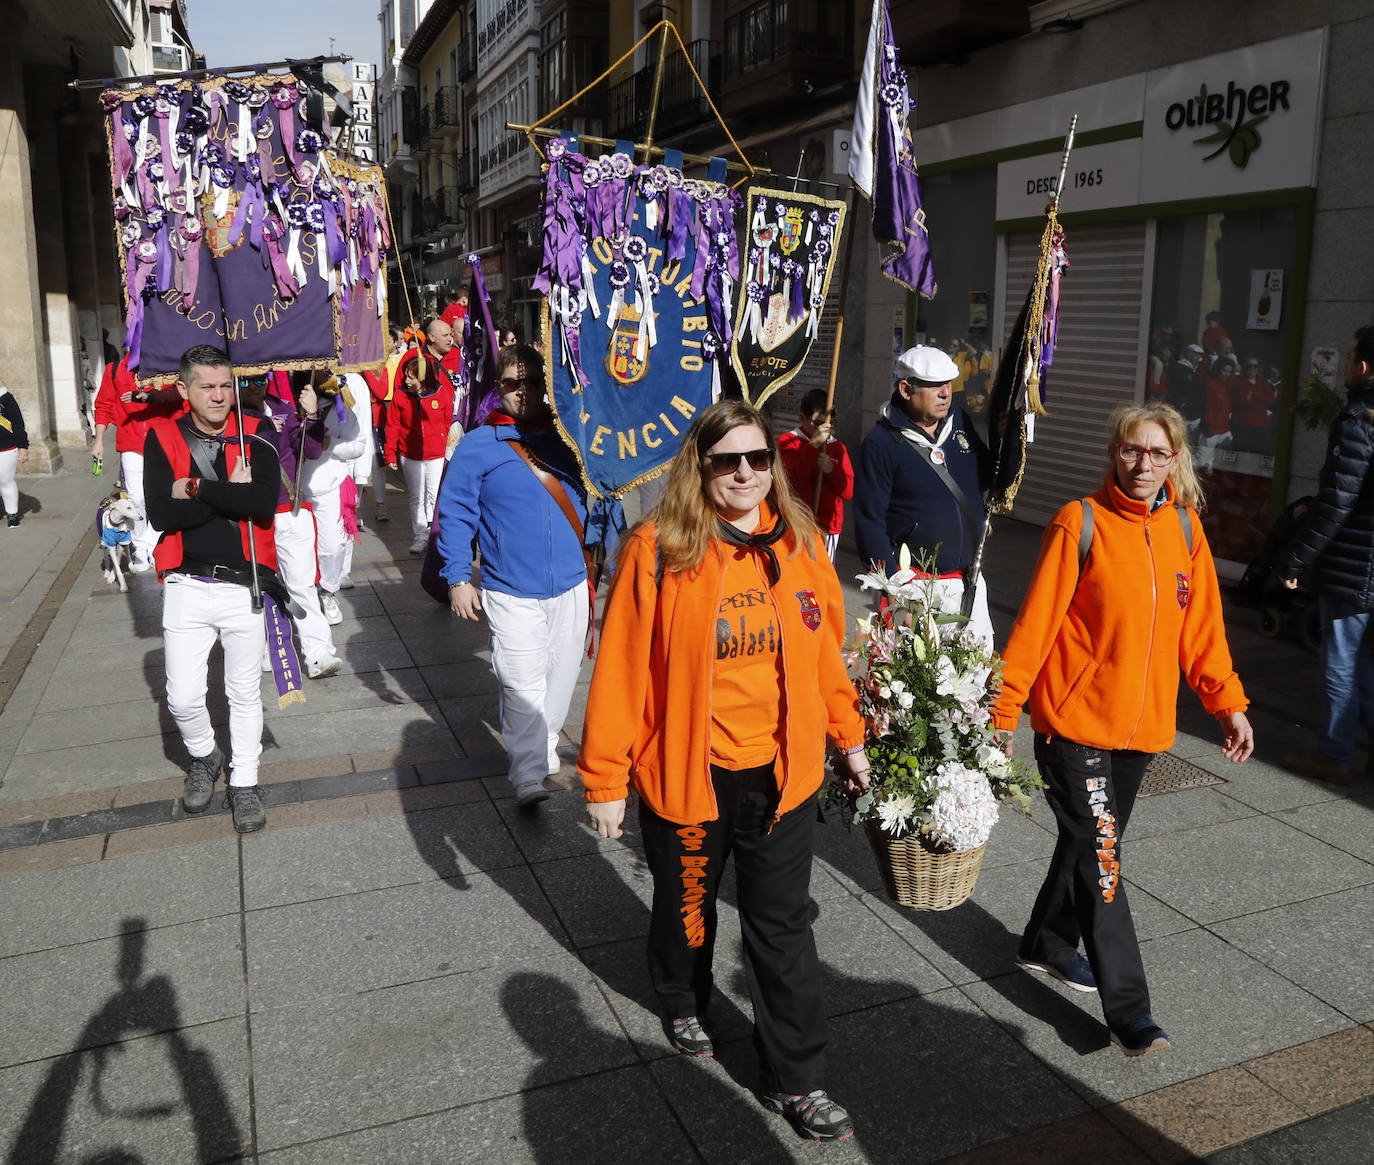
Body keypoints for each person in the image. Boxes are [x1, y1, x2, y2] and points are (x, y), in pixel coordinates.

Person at [579, 400, 868, 1142]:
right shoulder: (657, 547)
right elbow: (621, 671)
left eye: (759, 458)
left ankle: (795, 1077)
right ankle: (680, 993)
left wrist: (850, 735)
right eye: (727, 461)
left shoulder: (799, 541)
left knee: (783, 929)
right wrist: (606, 779)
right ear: (699, 467)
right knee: (687, 910)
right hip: (689, 774)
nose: (745, 473)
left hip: (783, 776)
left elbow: (825, 653)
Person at [992, 401, 1253, 1057]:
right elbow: (1034, 627)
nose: (1143, 464)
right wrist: (1002, 715)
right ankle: (1131, 1012)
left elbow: (1203, 633)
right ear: (1115, 453)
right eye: (1132, 450)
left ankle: (1047, 941)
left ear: (1176, 460)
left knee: (1088, 842)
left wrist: (1227, 702)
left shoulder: (1186, 530)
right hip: (1074, 724)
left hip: (1141, 731)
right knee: (1103, 856)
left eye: (1157, 453)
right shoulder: (1079, 523)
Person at [435, 344, 590, 807]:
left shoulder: (570, 437)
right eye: (512, 383)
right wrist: (459, 577)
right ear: (497, 387)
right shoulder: (478, 445)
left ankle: (542, 746)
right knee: (521, 680)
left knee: (561, 680)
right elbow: (456, 512)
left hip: (572, 584)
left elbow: (599, 495)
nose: (523, 392)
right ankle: (526, 775)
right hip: (509, 589)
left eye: (533, 382)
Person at [143, 346, 283, 833]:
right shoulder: (160, 436)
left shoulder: (257, 434)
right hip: (185, 583)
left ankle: (245, 781)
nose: (220, 395)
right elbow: (162, 514)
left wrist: (198, 489)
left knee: (243, 692)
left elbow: (263, 499)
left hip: (243, 586)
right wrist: (230, 494)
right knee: (182, 697)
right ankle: (205, 755)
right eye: (207, 386)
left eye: (227, 385)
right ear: (184, 389)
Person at [1278, 326, 1374, 786]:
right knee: (1361, 658)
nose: (1350, 363)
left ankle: (1335, 754)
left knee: (1340, 658)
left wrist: (1296, 559)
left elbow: (1339, 501)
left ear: (1363, 366)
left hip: (1358, 563)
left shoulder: (1360, 420)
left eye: (1352, 354)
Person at [853, 344, 994, 645]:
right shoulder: (881, 443)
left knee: (977, 681)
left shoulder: (960, 422)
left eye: (948, 384)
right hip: (914, 589)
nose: (946, 392)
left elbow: (988, 478)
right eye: (934, 386)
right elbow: (870, 525)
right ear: (906, 390)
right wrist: (898, 596)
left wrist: (1008, 438)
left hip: (968, 581)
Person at [239, 373, 342, 679]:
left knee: (302, 584)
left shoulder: (283, 407)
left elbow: (310, 451)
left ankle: (318, 652)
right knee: (256, 587)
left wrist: (311, 415)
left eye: (259, 379)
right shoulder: (228, 417)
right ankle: (267, 648)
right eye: (244, 381)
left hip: (289, 508)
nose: (254, 385)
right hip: (249, 513)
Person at [92, 355, 185, 569]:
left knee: (164, 495)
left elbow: (182, 399)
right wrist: (98, 441)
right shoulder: (115, 369)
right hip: (130, 443)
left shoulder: (166, 366)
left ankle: (153, 542)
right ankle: (140, 544)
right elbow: (104, 405)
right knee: (136, 498)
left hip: (163, 440)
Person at [302, 374, 368, 623]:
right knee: (299, 550)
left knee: (331, 548)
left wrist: (328, 444)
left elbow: (358, 445)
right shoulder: (289, 404)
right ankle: (303, 594)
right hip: (294, 487)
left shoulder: (341, 408)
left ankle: (327, 592)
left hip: (330, 486)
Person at [386, 348, 455, 554]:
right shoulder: (400, 395)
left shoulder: (441, 393)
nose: (406, 381)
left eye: (411, 377)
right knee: (416, 496)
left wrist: (449, 450)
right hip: (410, 454)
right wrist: (390, 453)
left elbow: (448, 424)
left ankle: (435, 535)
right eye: (406, 376)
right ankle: (420, 536)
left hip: (436, 454)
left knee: (434, 495)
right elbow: (393, 426)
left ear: (423, 378)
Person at [777, 388, 854, 561]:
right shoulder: (788, 441)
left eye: (830, 423)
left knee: (823, 576)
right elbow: (793, 479)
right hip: (796, 521)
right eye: (818, 423)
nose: (825, 429)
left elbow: (847, 491)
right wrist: (812, 447)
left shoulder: (838, 448)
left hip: (827, 525)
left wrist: (832, 471)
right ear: (802, 419)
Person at [1231, 358, 1276, 454]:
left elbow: (1271, 399)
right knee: (1244, 453)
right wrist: (1260, 399)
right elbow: (1241, 402)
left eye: (1255, 366)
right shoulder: (1239, 382)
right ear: (1244, 368)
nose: (1252, 368)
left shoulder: (1262, 381)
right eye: (1249, 366)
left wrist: (1252, 396)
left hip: (1261, 424)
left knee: (1259, 452)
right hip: (1244, 424)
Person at [0, 385, 29, 526]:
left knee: (6, 481)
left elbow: (18, 423)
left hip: (5, 447)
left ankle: (12, 514)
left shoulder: (6, 398)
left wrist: (23, 446)